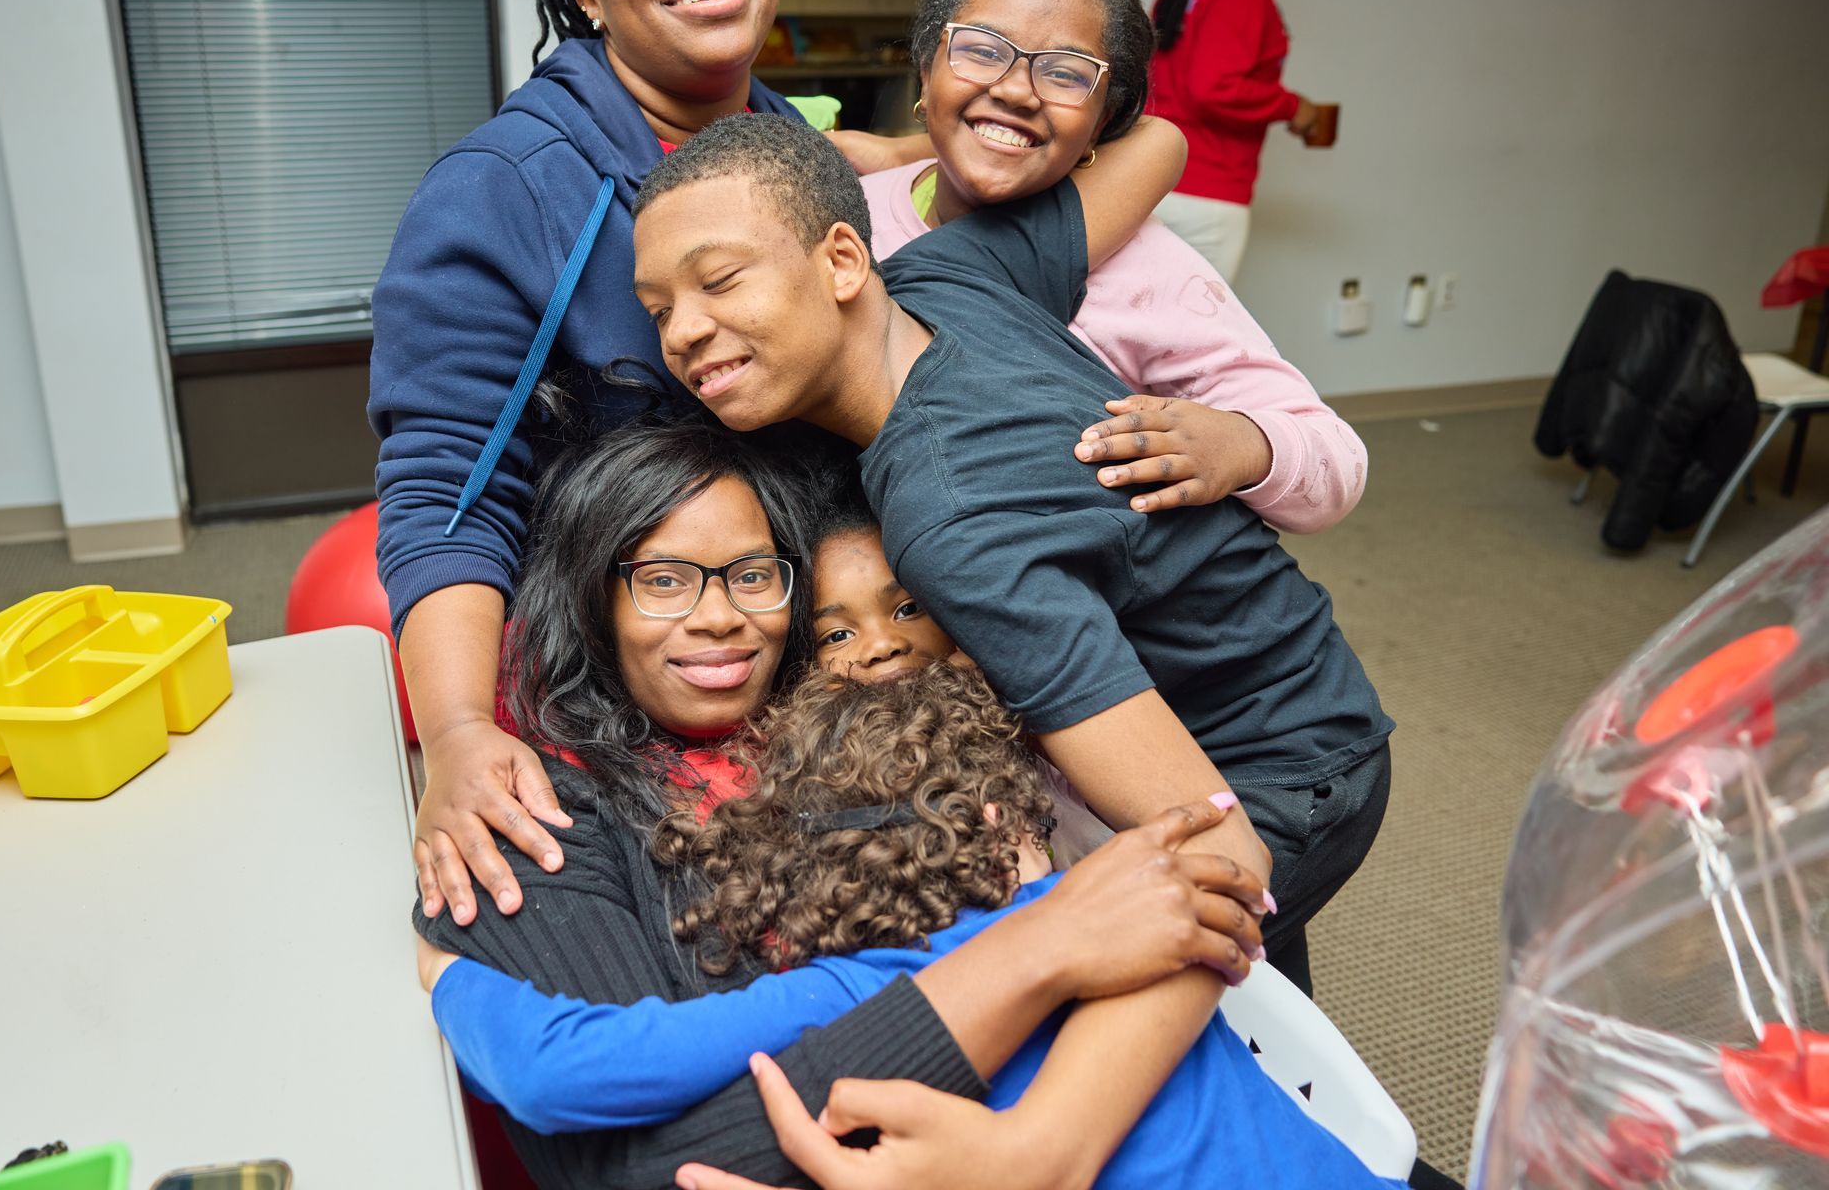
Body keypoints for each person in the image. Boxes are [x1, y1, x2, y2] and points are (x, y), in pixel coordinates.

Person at [372, 0, 1206, 928]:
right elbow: (444, 487)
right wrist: (460, 732)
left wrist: (930, 146)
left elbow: (1068, 176)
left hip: (833, 646)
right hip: (650, 671)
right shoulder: (505, 188)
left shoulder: (795, 150)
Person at [631, 113, 1393, 997]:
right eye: (658, 311)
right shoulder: (953, 271)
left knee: (1102, 999)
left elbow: (1218, 845)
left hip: (1278, 766)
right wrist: (905, 153)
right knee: (1265, 1030)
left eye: (719, 281)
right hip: (1298, 673)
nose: (683, 330)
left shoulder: (950, 521)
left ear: (842, 261)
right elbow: (1156, 143)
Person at [411, 418, 1268, 1189]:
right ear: (592, 594)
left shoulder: (883, 726)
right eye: (664, 579)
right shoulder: (537, 804)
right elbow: (644, 1169)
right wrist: (1031, 952)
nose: (720, 617)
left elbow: (1169, 901)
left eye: (753, 575)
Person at [416, 666, 1403, 1190]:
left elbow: (562, 1070)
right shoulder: (1143, 933)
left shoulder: (860, 994)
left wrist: (442, 976)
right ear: (1000, 819)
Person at [849, 0, 1364, 532]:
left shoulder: (1144, 270)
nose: (1015, 90)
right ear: (925, 66)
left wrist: (1242, 442)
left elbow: (1336, 457)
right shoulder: (848, 212)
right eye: (983, 50)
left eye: (1067, 74)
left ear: (1105, 120)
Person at [1148, 0, 1324, 283]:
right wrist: (1293, 107)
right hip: (1208, 198)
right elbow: (1214, 88)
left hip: (1151, 180)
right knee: (1189, 346)